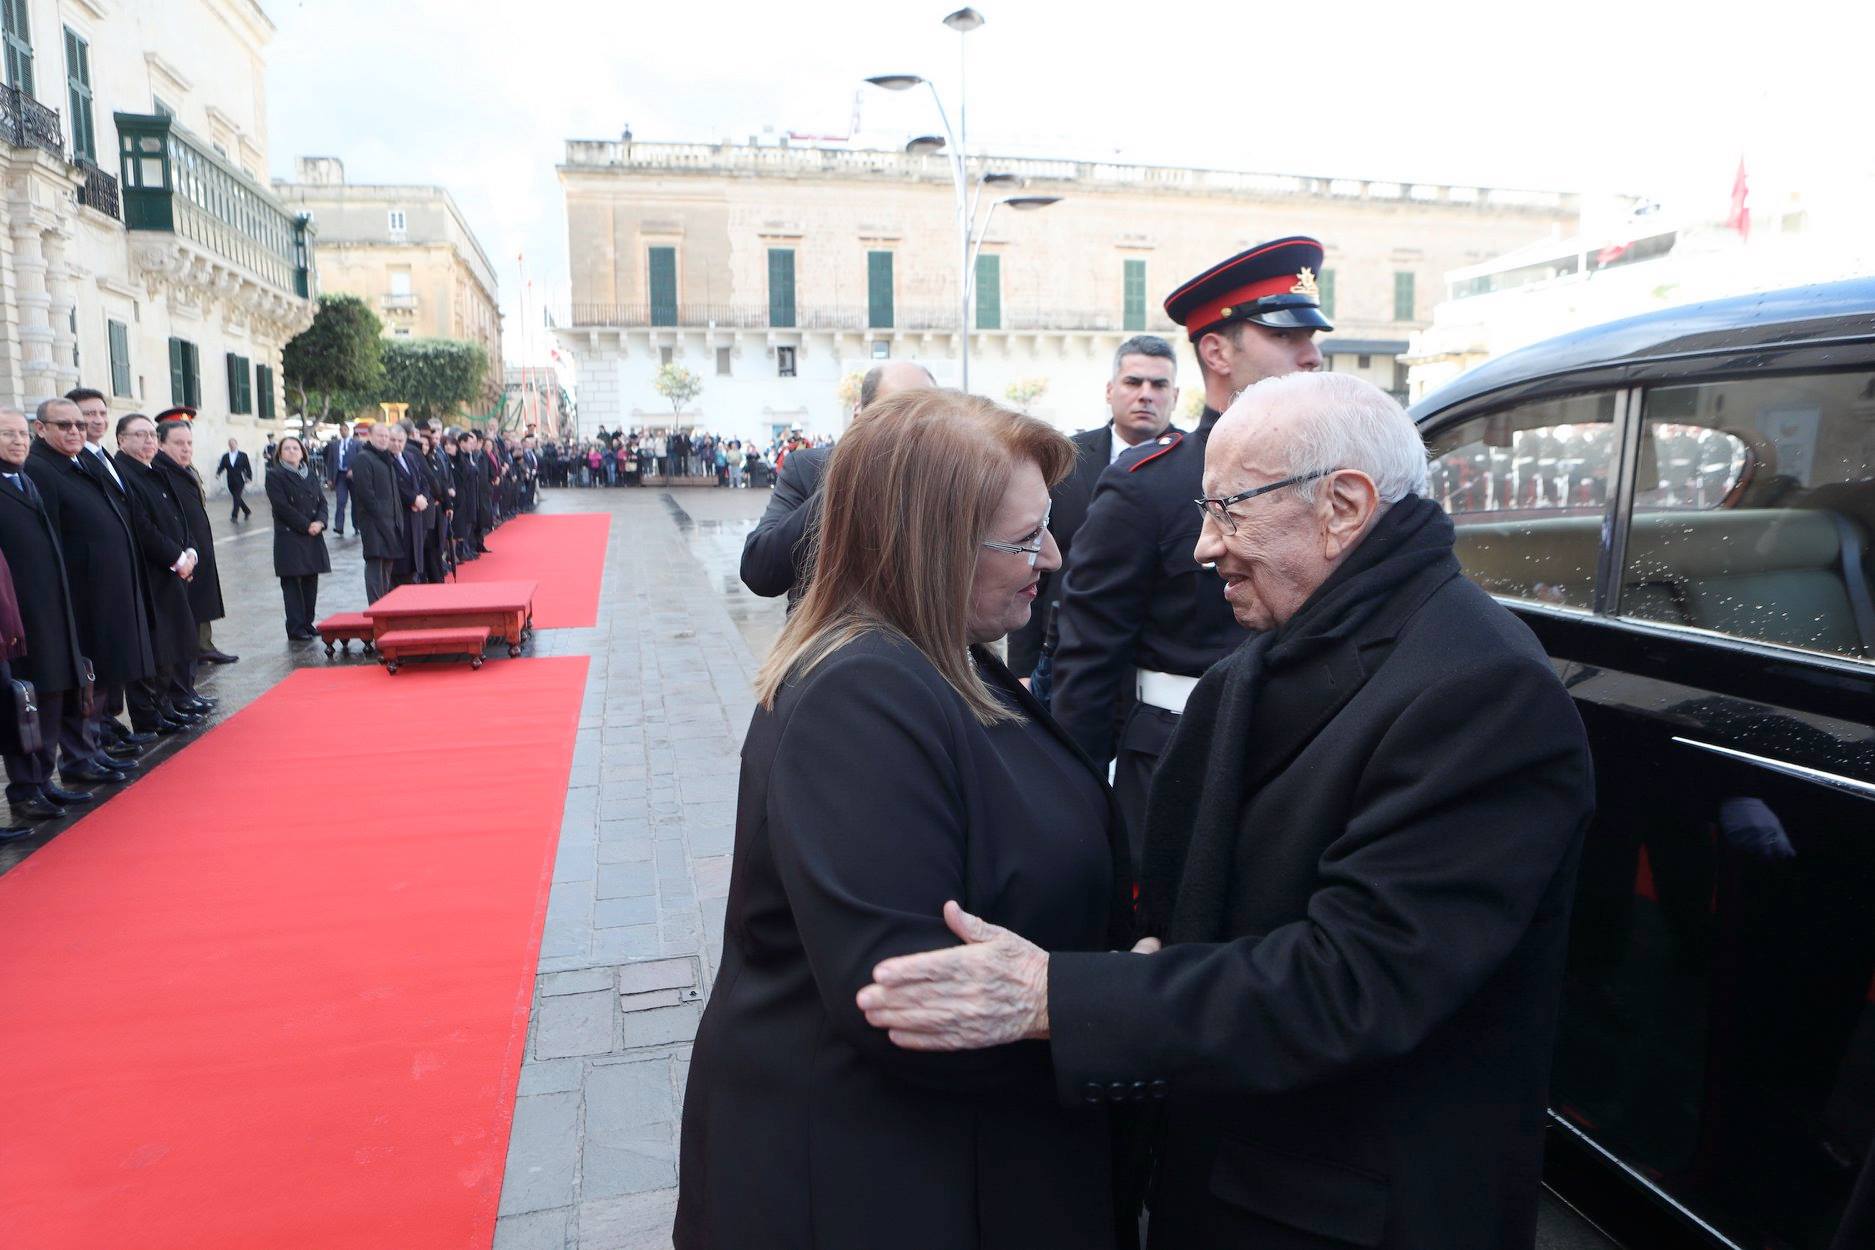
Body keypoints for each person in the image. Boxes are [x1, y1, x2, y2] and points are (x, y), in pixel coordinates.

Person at [857, 373, 1598, 1250]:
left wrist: (1058, 996)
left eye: (1229, 511)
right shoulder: (1294, 642)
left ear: (1343, 506)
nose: (1204, 547)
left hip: (1346, 1211)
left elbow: (1354, 982)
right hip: (1242, 1177)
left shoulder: (1480, 692)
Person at [675, 389, 1136, 1250]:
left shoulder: (941, 657)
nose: (1054, 556)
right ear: (928, 544)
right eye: (1022, 537)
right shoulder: (862, 695)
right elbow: (906, 1000)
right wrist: (1110, 1011)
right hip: (885, 1184)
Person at [1050, 236, 1331, 856]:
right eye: (1286, 337)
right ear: (1215, 351)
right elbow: (1088, 661)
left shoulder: (1336, 479)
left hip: (1310, 764)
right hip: (1179, 765)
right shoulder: (1150, 487)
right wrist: (1076, 807)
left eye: (1314, 337)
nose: (1313, 356)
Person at [1008, 335, 1181, 702]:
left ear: (1175, 396)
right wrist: (1022, 670)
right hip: (1065, 662)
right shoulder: (1066, 461)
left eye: (1159, 384)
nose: (1146, 394)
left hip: (1158, 672)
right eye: (1134, 382)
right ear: (1110, 390)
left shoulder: (1196, 466)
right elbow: (1030, 555)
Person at [23, 399, 153, 787]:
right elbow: (50, 537)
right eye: (65, 425)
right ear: (40, 429)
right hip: (79, 593)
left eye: (80, 425)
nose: (76, 431)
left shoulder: (79, 462)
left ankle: (92, 750)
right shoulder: (42, 469)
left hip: (104, 589)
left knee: (101, 676)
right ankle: (79, 758)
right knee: (86, 680)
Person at [739, 360, 935, 607]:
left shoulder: (954, 483)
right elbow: (759, 573)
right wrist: (849, 479)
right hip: (831, 641)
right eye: (896, 413)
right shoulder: (807, 470)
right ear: (860, 415)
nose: (911, 429)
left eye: (926, 415)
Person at [0, 407, 98, 822]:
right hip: (18, 618)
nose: (18, 441)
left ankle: (43, 782)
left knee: (54, 695)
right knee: (25, 704)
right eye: (8, 434)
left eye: (22, 434)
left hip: (51, 611)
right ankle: (25, 789)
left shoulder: (25, 481)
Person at [67, 387, 169, 749]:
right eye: (85, 415)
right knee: (105, 657)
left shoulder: (100, 456)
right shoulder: (77, 461)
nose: (93, 421)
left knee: (124, 651)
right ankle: (104, 731)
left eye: (99, 413)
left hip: (122, 571)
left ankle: (111, 725)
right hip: (94, 579)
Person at [113, 414, 202, 735]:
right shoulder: (124, 473)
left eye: (152, 435)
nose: (148, 441)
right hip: (153, 570)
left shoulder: (154, 471)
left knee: (171, 642)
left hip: (173, 568)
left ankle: (166, 704)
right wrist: (177, 557)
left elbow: (178, 517)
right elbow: (143, 526)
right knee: (155, 645)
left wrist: (189, 551)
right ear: (121, 440)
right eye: (140, 435)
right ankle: (149, 713)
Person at [153, 414, 237, 666]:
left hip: (197, 543)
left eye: (189, 443)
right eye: (179, 443)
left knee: (202, 597)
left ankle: (203, 645)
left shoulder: (187, 469)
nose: (186, 448)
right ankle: (195, 648)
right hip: (180, 549)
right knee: (190, 601)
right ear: (161, 443)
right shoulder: (160, 471)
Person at [265, 436, 331, 640]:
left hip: (313, 534)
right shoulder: (275, 475)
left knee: (311, 580)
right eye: (287, 448)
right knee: (293, 583)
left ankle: (307, 622)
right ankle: (295, 627)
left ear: (303, 452)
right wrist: (306, 525)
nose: (292, 451)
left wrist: (320, 522)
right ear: (280, 453)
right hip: (291, 535)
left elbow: (322, 502)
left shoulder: (309, 474)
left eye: (296, 448)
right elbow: (281, 506)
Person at [349, 420, 402, 602]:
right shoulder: (364, 458)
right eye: (380, 435)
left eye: (386, 436)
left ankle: (385, 603)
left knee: (387, 564)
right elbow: (366, 494)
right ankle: (376, 605)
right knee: (375, 564)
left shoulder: (386, 459)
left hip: (390, 521)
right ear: (370, 436)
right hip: (374, 522)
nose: (384, 439)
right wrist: (381, 517)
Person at [328, 422, 359, 535]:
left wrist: (354, 470)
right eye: (341, 430)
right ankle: (339, 526)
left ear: (348, 431)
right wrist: (330, 478)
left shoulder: (356, 444)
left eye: (345, 429)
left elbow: (361, 460)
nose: (343, 432)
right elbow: (330, 462)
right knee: (341, 501)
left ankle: (357, 526)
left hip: (353, 477)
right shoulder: (335, 445)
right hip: (340, 476)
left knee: (356, 502)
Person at [215, 437, 254, 521]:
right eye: (230, 444)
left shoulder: (243, 455)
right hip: (230, 481)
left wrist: (249, 477)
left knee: (236, 497)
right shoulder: (225, 456)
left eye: (233, 444)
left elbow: (248, 467)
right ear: (229, 445)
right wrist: (218, 473)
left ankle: (234, 516)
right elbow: (221, 466)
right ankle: (247, 511)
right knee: (237, 497)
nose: (232, 446)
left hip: (240, 480)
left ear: (236, 444)